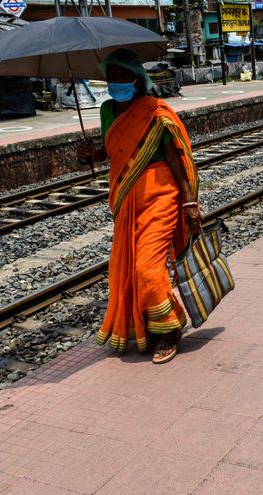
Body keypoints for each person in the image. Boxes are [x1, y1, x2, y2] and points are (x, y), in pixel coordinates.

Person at [78, 49, 201, 364]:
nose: (117, 82)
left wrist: (189, 201)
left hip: (161, 195)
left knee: (146, 267)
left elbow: (176, 157)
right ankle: (147, 328)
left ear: (137, 78)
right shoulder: (107, 111)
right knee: (128, 266)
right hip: (125, 197)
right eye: (112, 77)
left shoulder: (156, 112)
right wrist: (90, 155)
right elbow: (110, 153)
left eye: (123, 76)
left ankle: (170, 329)